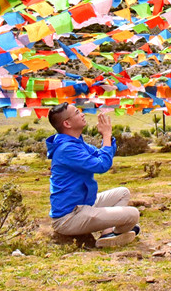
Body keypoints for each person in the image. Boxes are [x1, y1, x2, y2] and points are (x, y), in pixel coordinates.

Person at [45, 103, 140, 248]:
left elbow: (101, 154)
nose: (82, 114)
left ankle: (108, 233)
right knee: (133, 214)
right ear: (67, 123)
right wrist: (106, 135)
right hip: (70, 217)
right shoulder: (67, 149)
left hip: (85, 204)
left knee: (123, 193)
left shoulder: (76, 143)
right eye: (77, 112)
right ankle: (118, 232)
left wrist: (107, 137)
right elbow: (101, 166)